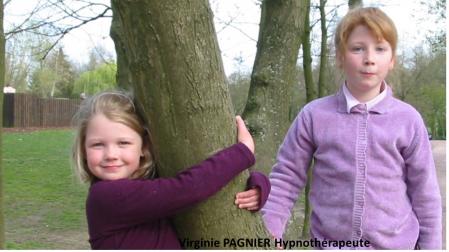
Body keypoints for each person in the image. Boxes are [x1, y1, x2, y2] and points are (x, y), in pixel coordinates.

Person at [255, 7, 441, 249]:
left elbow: (426, 195)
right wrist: (270, 231)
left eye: (380, 49)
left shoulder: (408, 119)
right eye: (358, 48)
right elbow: (286, 177)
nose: (369, 58)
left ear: (392, 59)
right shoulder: (314, 115)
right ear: (340, 57)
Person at [71, 91, 270, 249]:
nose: (110, 154)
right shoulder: (105, 197)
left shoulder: (144, 186)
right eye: (97, 145)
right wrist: (242, 153)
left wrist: (257, 183)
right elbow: (186, 189)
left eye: (123, 143)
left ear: (143, 147)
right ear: (83, 150)